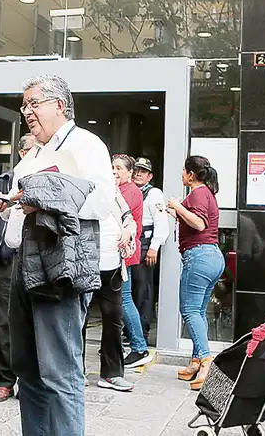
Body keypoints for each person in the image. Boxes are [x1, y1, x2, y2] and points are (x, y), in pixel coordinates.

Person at [0, 74, 117, 436]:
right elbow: (24, 209)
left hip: (58, 270)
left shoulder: (86, 145)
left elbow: (101, 201)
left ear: (59, 105)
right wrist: (6, 207)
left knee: (60, 372)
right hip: (21, 267)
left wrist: (40, 199)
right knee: (27, 369)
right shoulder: (35, 153)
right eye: (24, 105)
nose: (27, 112)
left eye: (33, 103)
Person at [0, 133, 35, 403]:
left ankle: (28, 381)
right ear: (23, 153)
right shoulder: (3, 180)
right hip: (6, 258)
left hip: (35, 259)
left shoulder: (43, 179)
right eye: (32, 148)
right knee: (2, 322)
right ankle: (4, 381)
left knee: (31, 323)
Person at [81, 154, 138, 393]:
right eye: (110, 173)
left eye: (116, 174)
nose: (114, 177)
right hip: (86, 264)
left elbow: (130, 221)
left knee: (113, 320)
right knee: (78, 320)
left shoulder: (117, 197)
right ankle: (76, 372)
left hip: (113, 266)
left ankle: (111, 374)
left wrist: (128, 230)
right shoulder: (86, 195)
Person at [166, 155, 225, 390]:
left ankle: (205, 361)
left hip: (199, 256)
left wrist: (177, 205)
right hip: (211, 256)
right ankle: (195, 361)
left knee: (189, 310)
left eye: (183, 171)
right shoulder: (206, 193)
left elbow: (200, 224)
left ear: (191, 175)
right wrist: (178, 213)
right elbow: (197, 222)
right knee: (198, 311)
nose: (181, 174)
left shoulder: (198, 193)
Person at [116, 155, 154, 369]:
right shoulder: (122, 190)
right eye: (112, 167)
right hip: (119, 254)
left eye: (119, 168)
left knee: (124, 299)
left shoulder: (130, 191)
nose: (114, 171)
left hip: (123, 254)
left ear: (129, 173)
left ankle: (139, 347)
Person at [131, 157, 168, 342]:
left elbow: (161, 222)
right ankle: (130, 331)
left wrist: (154, 247)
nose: (138, 173)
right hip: (128, 244)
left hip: (145, 245)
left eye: (143, 171)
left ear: (150, 176)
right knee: (127, 291)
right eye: (136, 170)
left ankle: (142, 332)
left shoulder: (153, 194)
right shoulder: (127, 191)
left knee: (142, 291)